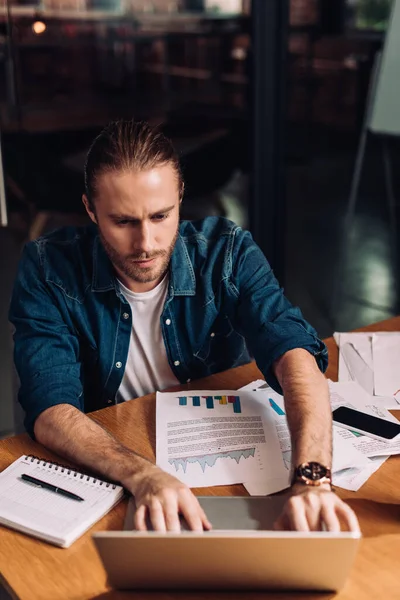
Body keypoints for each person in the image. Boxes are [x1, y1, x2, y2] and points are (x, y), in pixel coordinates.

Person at [9, 120, 359, 534]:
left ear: (180, 197)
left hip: (216, 453)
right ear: (90, 209)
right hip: (109, 458)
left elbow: (295, 355)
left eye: (161, 216)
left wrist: (312, 479)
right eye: (123, 221)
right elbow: (50, 408)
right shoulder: (48, 268)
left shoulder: (226, 251)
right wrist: (141, 475)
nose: (145, 243)